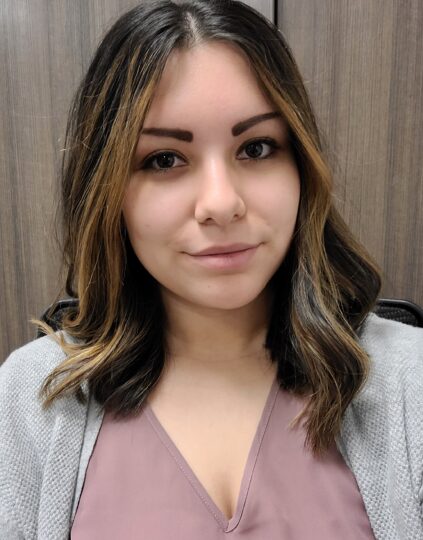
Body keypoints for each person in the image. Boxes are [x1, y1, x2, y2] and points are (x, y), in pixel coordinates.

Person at [1, 0, 422, 538]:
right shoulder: (32, 398)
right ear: (107, 190)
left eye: (257, 147)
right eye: (164, 159)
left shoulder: (410, 382)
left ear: (302, 168)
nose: (221, 204)